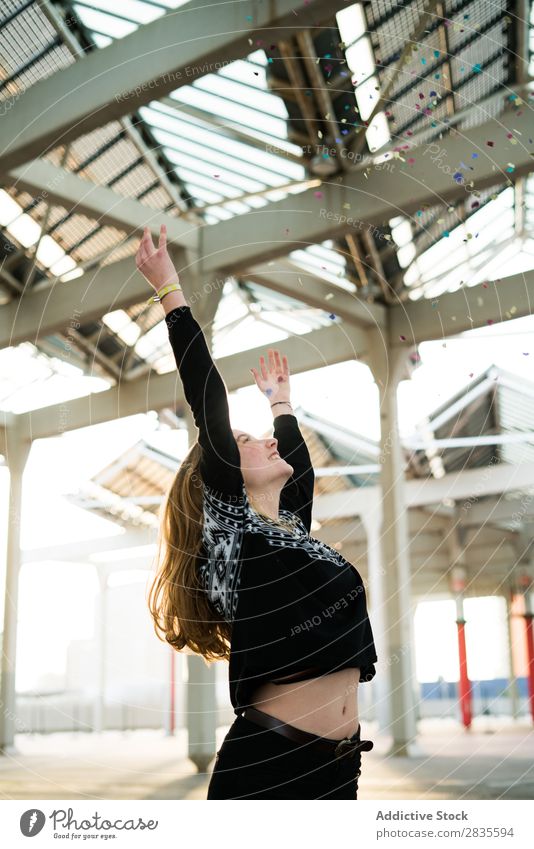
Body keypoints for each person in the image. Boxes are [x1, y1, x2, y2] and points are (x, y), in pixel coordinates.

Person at [138, 224, 378, 799]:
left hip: (339, 768)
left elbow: (302, 471)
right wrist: (169, 288)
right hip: (272, 765)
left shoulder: (291, 530)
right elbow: (208, 401)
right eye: (247, 441)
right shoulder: (229, 535)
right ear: (220, 469)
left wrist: (281, 404)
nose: (267, 442)